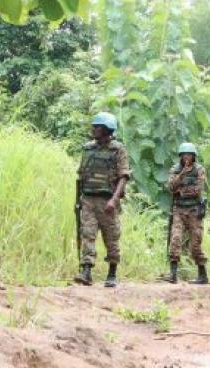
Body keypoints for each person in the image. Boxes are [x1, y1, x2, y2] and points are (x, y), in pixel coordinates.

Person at [74, 112, 131, 288]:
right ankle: (86, 271)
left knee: (111, 238)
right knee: (88, 234)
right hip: (89, 199)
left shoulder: (118, 149)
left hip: (107, 201)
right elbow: (81, 176)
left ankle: (112, 272)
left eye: (97, 127)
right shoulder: (88, 149)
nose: (93, 129)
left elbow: (123, 176)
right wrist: (78, 200)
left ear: (106, 129)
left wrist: (114, 200)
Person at [166, 142, 208, 285]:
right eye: (184, 155)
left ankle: (202, 275)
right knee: (175, 239)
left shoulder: (199, 170)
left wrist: (181, 191)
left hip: (194, 210)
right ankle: (173, 274)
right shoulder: (175, 169)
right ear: (180, 156)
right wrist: (182, 175)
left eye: (189, 155)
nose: (186, 157)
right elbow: (171, 187)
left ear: (194, 156)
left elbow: (198, 189)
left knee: (195, 244)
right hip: (179, 209)